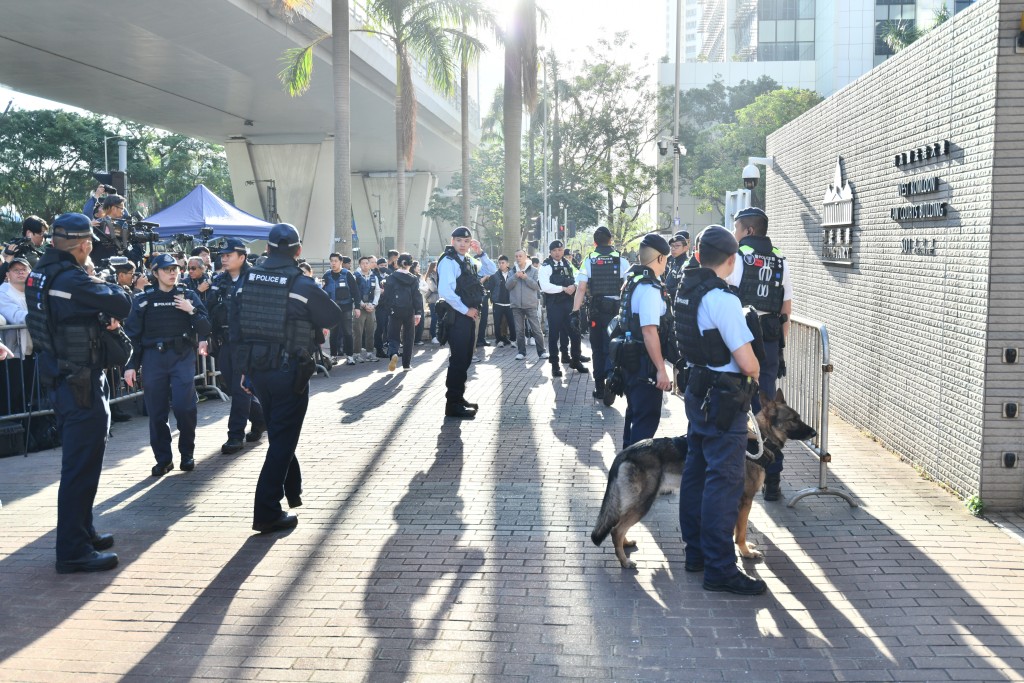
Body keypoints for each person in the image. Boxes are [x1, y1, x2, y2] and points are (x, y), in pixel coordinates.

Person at [25, 213, 133, 573]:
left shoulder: (40, 273)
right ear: (84, 245)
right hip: (79, 382)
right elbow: (123, 303)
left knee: (82, 464)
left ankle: (83, 531)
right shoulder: (72, 278)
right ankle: (73, 550)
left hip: (62, 378)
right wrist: (97, 279)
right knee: (80, 468)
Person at [232, 223, 343, 533]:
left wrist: (243, 370)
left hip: (258, 370)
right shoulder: (301, 284)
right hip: (288, 371)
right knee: (282, 439)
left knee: (281, 433)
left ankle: (292, 491)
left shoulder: (247, 280)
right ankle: (267, 511)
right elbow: (333, 316)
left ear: (267, 249)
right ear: (298, 251)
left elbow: (235, 328)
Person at [676, 225, 764, 596]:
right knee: (724, 481)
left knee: (696, 472)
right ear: (731, 260)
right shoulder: (722, 298)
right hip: (724, 399)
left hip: (698, 390)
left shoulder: (686, 289)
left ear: (697, 255)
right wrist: (756, 368)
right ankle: (720, 568)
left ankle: (696, 554)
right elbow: (747, 362)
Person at [123, 254, 211, 476]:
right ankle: (163, 460)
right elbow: (132, 336)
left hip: (181, 356)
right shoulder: (143, 299)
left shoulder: (188, 295)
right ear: (155, 273)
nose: (172, 273)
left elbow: (205, 327)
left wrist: (190, 310)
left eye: (175, 269)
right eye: (166, 269)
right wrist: (130, 365)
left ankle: (187, 453)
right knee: (157, 412)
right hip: (154, 358)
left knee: (184, 407)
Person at [727, 207, 792, 501]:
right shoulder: (780, 259)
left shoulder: (737, 257)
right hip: (770, 341)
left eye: (737, 228)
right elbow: (786, 309)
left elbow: (727, 301)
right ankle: (772, 478)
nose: (735, 234)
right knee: (767, 410)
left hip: (741, 340)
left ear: (749, 231)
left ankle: (740, 473)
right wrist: (778, 347)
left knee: (738, 407)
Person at [209, 238, 266, 454]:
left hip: (247, 342)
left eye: (228, 255)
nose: (224, 259)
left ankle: (235, 435)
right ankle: (261, 420)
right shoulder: (219, 280)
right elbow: (211, 308)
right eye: (222, 256)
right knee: (236, 389)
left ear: (242, 257)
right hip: (226, 341)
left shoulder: (254, 279)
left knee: (241, 388)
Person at [617, 234, 673, 448]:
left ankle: (626, 462)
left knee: (634, 415)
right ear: (660, 258)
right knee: (645, 420)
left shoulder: (633, 281)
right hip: (644, 363)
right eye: (666, 258)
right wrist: (661, 369)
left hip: (631, 360)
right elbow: (649, 332)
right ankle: (635, 466)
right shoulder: (650, 288)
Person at [437, 226, 496, 418]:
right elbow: (446, 292)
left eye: (466, 241)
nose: (463, 244)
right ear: (452, 241)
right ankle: (452, 404)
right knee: (458, 359)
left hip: (468, 315)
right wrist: (465, 310)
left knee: (466, 358)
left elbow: (491, 270)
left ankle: (458, 398)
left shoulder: (468, 260)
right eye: (459, 241)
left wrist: (481, 253)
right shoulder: (448, 261)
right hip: (457, 316)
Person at [572, 226, 630, 400]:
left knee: (597, 348)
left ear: (595, 243)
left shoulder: (588, 261)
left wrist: (575, 312)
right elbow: (628, 287)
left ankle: (599, 387)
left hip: (597, 312)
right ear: (610, 240)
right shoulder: (622, 261)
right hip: (616, 312)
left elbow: (581, 288)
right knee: (613, 346)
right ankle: (611, 377)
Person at [539, 240, 588, 378]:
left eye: (560, 250)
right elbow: (544, 286)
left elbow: (579, 276)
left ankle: (576, 360)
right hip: (554, 305)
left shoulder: (567, 263)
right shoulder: (546, 266)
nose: (557, 253)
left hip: (569, 304)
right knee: (554, 336)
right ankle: (555, 365)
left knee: (575, 333)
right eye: (554, 250)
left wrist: (575, 285)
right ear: (550, 252)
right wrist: (563, 288)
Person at [383, 253, 423, 371]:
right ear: (410, 264)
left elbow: (387, 296)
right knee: (409, 337)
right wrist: (418, 313)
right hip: (409, 311)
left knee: (393, 335)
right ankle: (406, 365)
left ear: (398, 263)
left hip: (395, 310)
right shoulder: (413, 278)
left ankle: (393, 353)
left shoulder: (391, 277)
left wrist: (389, 309)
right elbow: (417, 296)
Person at [507, 249, 547, 360]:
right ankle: (521, 352)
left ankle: (542, 352)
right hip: (516, 305)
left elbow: (537, 286)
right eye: (516, 256)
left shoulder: (534, 270)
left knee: (536, 329)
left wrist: (526, 278)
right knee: (519, 330)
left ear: (525, 257)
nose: (518, 258)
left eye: (520, 256)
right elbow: (507, 286)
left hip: (530, 304)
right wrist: (515, 276)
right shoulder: (512, 271)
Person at [322, 252, 359, 364]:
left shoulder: (347, 274)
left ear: (341, 262)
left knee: (348, 332)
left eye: (335, 261)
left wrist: (357, 307)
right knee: (333, 333)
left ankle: (350, 356)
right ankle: (333, 356)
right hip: (332, 309)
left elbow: (355, 292)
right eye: (331, 261)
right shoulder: (326, 275)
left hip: (346, 307)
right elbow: (322, 292)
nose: (333, 263)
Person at [353, 256, 381, 362]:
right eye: (363, 263)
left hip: (371, 307)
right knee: (358, 331)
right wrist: (362, 304)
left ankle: (369, 353)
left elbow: (377, 291)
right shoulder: (355, 276)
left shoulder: (374, 277)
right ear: (359, 265)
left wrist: (373, 304)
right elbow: (354, 292)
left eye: (367, 263)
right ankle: (356, 354)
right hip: (359, 307)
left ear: (370, 264)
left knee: (371, 331)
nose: (365, 265)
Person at [489, 256, 516, 347]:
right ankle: (499, 340)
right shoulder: (494, 276)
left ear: (507, 264)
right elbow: (491, 288)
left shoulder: (513, 274)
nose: (501, 265)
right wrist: (493, 299)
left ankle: (513, 340)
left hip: (510, 303)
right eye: (499, 263)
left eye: (503, 263)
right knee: (497, 323)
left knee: (512, 323)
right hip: (498, 303)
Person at [664, 231, 690, 303]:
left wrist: (667, 290)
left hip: (678, 302)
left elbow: (685, 287)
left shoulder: (687, 264)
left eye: (677, 246)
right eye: (672, 246)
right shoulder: (672, 261)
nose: (673, 248)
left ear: (685, 248)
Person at [373, 257, 391, 358]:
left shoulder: (389, 275)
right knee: (380, 327)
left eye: (385, 265)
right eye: (381, 265)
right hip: (379, 305)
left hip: (388, 304)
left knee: (389, 327)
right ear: (377, 266)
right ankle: (379, 349)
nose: (383, 267)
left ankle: (391, 348)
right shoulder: (374, 275)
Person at [421, 261, 440, 344]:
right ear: (433, 267)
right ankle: (433, 336)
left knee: (439, 319)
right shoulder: (430, 276)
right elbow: (433, 288)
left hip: (439, 299)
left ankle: (438, 335)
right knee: (434, 318)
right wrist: (441, 288)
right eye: (436, 266)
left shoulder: (439, 275)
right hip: (433, 300)